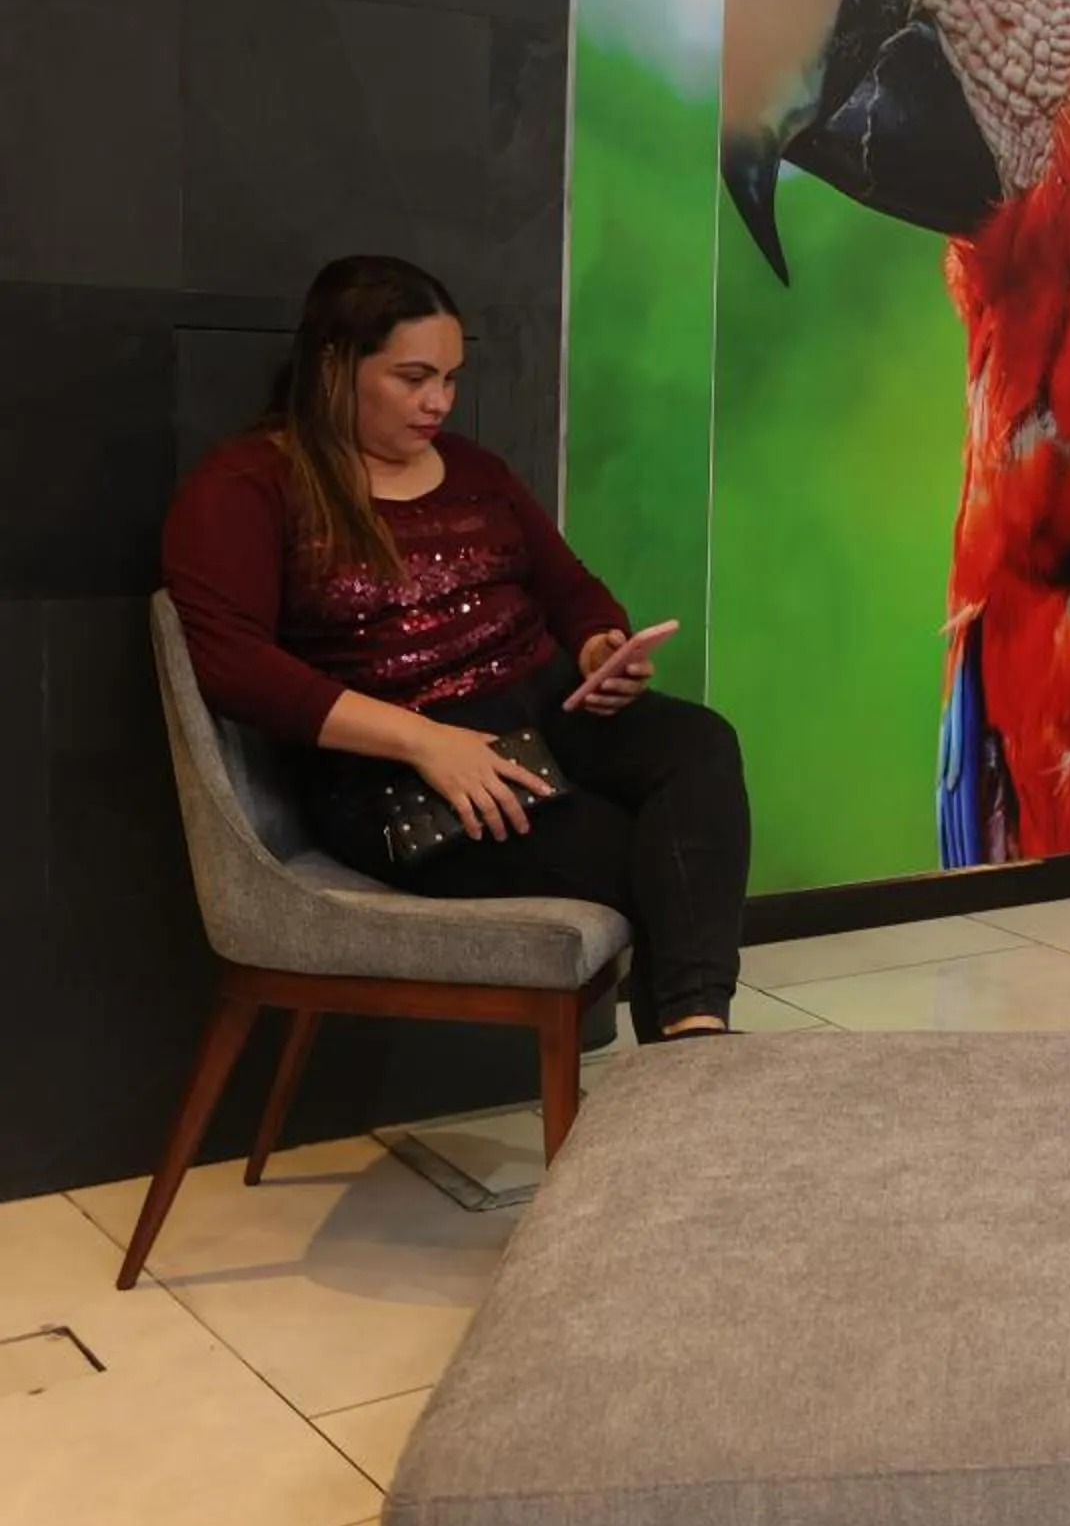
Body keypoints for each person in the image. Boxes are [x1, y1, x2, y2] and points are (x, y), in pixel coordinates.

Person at [162, 256, 748, 1043]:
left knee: (700, 741)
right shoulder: (248, 486)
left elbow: (571, 589)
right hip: (393, 772)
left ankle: (691, 1043)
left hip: (546, 709)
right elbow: (233, 665)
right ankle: (693, 1054)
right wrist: (425, 741)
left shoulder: (474, 469)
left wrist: (600, 646)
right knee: (648, 859)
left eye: (450, 377)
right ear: (335, 364)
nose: (438, 401)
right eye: (413, 377)